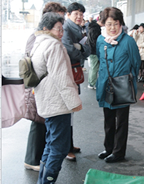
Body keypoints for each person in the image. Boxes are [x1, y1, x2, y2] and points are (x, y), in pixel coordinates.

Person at [31, 12, 82, 183]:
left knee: (51, 144)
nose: (61, 33)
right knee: (59, 148)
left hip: (47, 102)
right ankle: (47, 181)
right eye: (58, 29)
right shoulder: (54, 46)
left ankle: (42, 181)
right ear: (46, 29)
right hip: (58, 104)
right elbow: (61, 78)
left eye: (62, 29)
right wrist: (75, 103)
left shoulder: (39, 43)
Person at [23, 2, 67, 172]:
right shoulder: (39, 37)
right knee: (38, 123)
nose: (61, 21)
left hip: (43, 86)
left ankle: (37, 159)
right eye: (58, 17)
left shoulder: (47, 37)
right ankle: (32, 159)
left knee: (44, 124)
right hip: (40, 87)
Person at [96, 7, 141, 163]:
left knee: (121, 121)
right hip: (105, 85)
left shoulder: (128, 41)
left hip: (122, 86)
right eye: (109, 24)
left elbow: (136, 64)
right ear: (104, 24)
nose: (112, 28)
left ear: (121, 23)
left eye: (116, 23)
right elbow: (100, 59)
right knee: (108, 120)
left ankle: (118, 152)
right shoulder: (100, 40)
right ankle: (108, 148)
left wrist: (128, 80)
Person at [62, 2, 91, 161]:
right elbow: (68, 49)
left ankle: (69, 144)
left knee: (71, 109)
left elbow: (88, 49)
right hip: (69, 73)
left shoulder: (80, 28)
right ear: (68, 15)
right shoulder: (67, 28)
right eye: (76, 14)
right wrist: (81, 50)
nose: (79, 17)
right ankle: (66, 148)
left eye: (81, 14)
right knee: (67, 109)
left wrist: (80, 48)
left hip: (75, 72)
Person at [87, 12, 103, 89]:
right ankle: (92, 83)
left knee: (94, 67)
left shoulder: (92, 27)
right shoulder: (95, 29)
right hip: (94, 51)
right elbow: (95, 41)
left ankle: (92, 83)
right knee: (94, 68)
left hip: (92, 50)